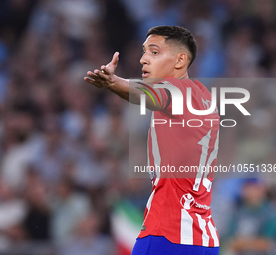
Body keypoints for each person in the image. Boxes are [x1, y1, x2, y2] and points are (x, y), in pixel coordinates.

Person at [84, 25, 220, 255]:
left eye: (154, 52)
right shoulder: (205, 97)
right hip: (204, 238)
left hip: (167, 233)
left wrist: (113, 82)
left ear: (180, 61)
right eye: (144, 51)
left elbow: (145, 95)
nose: (144, 59)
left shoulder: (176, 90)